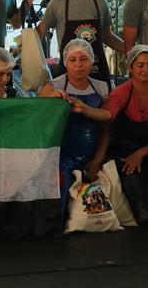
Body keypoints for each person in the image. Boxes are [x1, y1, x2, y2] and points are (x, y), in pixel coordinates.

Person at [80, 45, 148, 229]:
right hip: (124, 151)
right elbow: (108, 115)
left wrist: (141, 154)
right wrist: (84, 109)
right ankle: (145, 218)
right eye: (140, 65)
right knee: (129, 171)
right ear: (130, 68)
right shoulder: (121, 92)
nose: (146, 69)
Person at [38, 38, 110, 200]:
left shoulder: (101, 87)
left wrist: (98, 158)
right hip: (61, 157)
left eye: (83, 59)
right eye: (72, 60)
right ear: (65, 62)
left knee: (95, 203)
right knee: (60, 196)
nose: (78, 64)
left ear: (91, 61)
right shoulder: (55, 85)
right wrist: (52, 98)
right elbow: (42, 100)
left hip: (92, 156)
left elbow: (105, 129)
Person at [36, 0, 124, 80]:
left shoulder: (100, 2)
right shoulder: (57, 3)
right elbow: (38, 35)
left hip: (97, 73)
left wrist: (132, 50)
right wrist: (21, 52)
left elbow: (107, 36)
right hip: (67, 76)